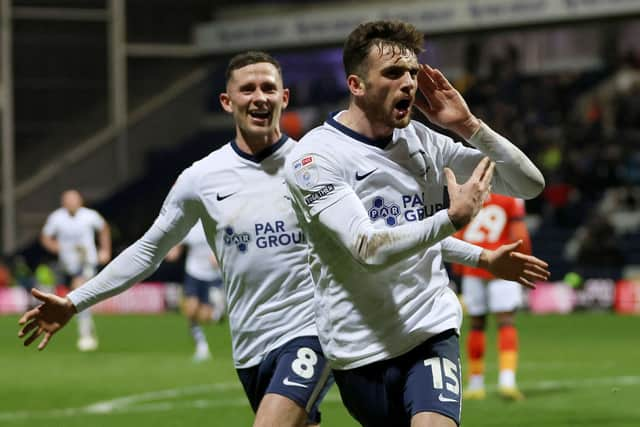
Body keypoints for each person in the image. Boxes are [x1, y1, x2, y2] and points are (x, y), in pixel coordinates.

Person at [19, 51, 331, 427]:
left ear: (284, 98)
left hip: (311, 330)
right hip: (250, 345)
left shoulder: (314, 166)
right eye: (247, 89)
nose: (259, 97)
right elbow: (149, 250)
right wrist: (74, 303)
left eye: (269, 88)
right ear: (227, 102)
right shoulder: (201, 179)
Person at [284, 20, 550, 427]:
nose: (408, 83)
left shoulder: (423, 141)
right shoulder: (314, 157)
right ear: (356, 84)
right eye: (393, 73)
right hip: (357, 347)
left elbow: (527, 184)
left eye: (412, 72)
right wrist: (452, 218)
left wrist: (467, 126)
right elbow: (367, 247)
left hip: (430, 330)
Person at [452, 194, 532, 401]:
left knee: (477, 324)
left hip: (473, 262)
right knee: (506, 322)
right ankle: (507, 382)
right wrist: (524, 260)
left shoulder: (469, 191)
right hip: (502, 265)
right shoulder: (511, 196)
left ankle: (476, 384)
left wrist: (459, 266)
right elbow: (519, 232)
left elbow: (458, 230)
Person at [39, 189, 111, 351]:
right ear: (63, 202)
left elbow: (104, 228)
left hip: (86, 262)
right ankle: (80, 327)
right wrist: (56, 247)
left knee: (79, 294)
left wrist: (105, 250)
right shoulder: (57, 218)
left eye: (74, 199)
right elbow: (45, 237)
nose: (71, 203)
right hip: (66, 264)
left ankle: (85, 334)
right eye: (68, 200)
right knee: (57, 294)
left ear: (80, 201)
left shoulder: (90, 216)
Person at [165, 219, 226, 362]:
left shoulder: (215, 222)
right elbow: (178, 244)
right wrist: (172, 251)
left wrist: (219, 255)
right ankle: (201, 346)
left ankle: (217, 314)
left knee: (206, 316)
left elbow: (228, 243)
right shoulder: (190, 225)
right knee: (190, 310)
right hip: (194, 273)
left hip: (212, 276)